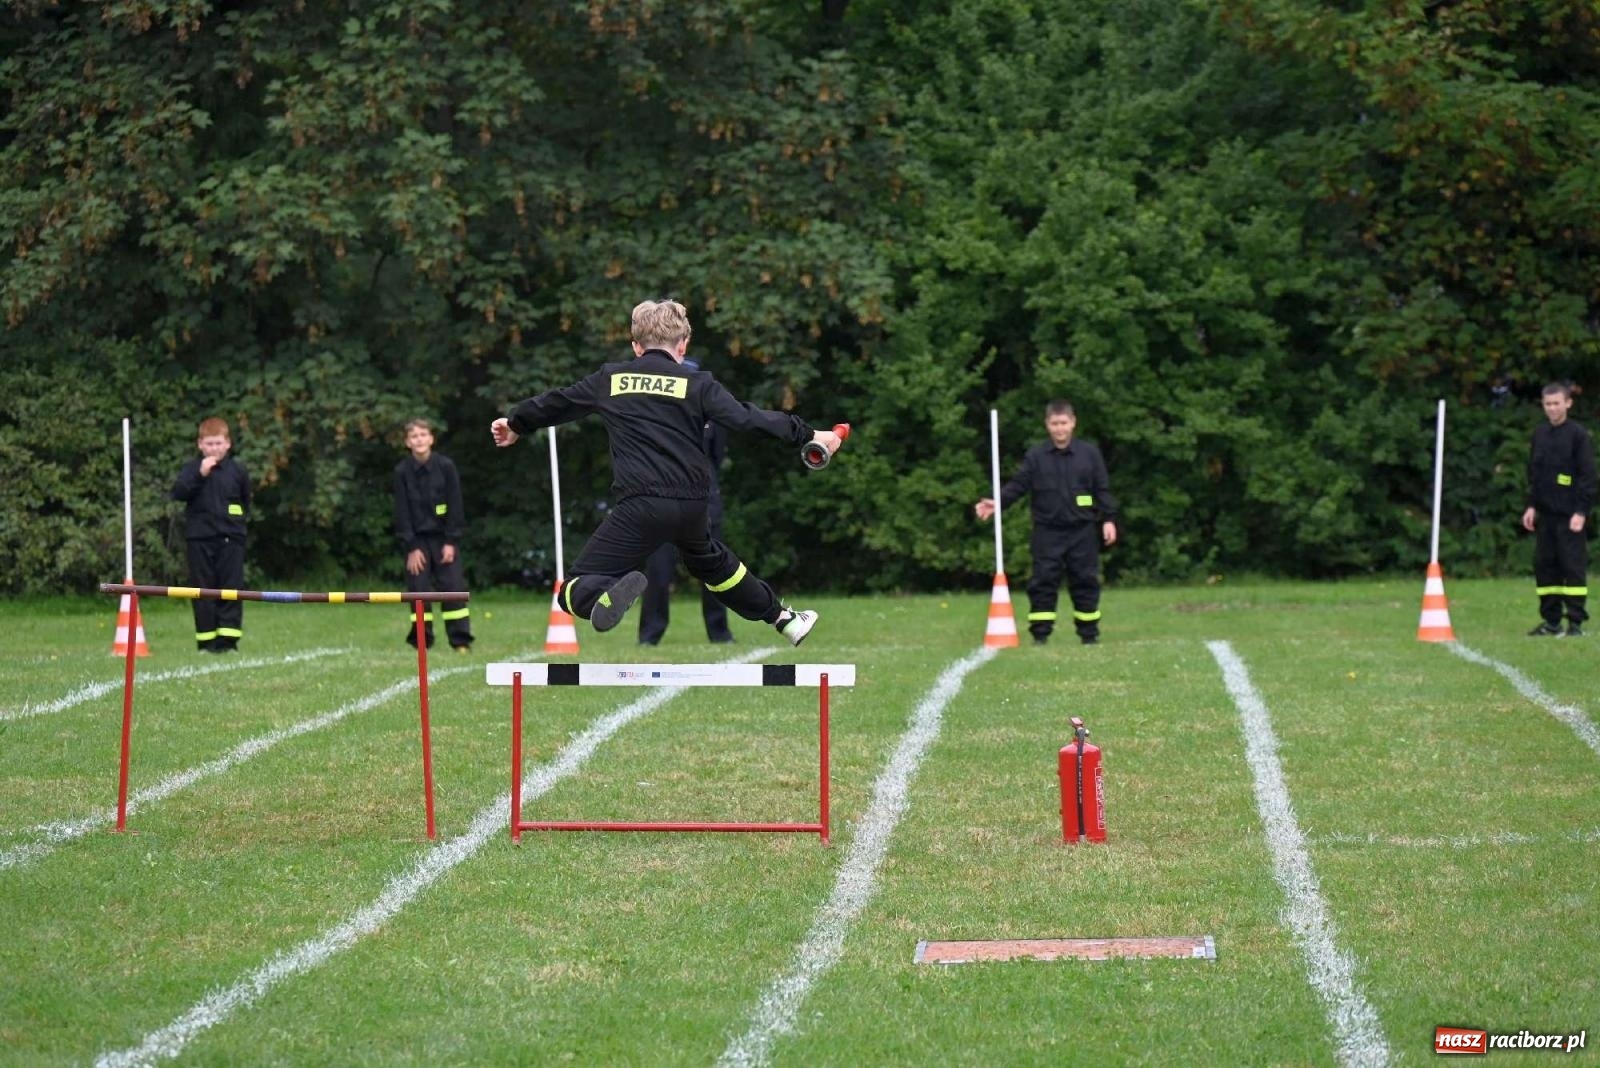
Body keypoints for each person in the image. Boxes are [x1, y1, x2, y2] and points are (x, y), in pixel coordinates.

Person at [490, 298, 841, 644]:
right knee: (715, 567)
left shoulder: (611, 378)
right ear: (683, 344)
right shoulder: (699, 384)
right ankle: (783, 619)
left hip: (641, 504)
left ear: (636, 346)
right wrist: (810, 434)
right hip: (692, 506)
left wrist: (516, 423)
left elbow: (557, 403)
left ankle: (607, 591)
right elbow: (747, 419)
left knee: (572, 590)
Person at [974, 400, 1117, 645]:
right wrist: (998, 503)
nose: (1059, 429)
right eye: (1054, 424)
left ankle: (1089, 635)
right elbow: (1018, 485)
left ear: (1073, 423)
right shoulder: (1036, 456)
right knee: (1043, 581)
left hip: (1083, 531)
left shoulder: (1089, 453)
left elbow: (1102, 488)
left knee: (1085, 581)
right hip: (1047, 532)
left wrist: (1109, 519)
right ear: (1047, 425)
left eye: (1064, 423)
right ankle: (1040, 635)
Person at [638, 381, 736, 645]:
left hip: (704, 497)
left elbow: (716, 455)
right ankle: (650, 634)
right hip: (661, 497)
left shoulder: (712, 418)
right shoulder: (654, 416)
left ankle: (719, 632)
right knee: (658, 569)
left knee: (714, 566)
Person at [393, 418, 474, 651]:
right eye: (414, 436)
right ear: (408, 442)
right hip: (416, 542)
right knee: (418, 591)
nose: (419, 439)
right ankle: (421, 641)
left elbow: (456, 505)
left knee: (454, 589)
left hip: (444, 540)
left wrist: (451, 541)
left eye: (423, 435)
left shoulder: (446, 467)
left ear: (431, 439)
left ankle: (460, 641)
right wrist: (411, 547)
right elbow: (402, 511)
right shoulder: (401, 471)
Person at [171, 416, 250, 653]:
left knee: (232, 588)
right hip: (200, 539)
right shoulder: (191, 469)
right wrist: (199, 474)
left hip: (231, 539)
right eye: (209, 444)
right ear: (200, 445)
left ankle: (228, 640)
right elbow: (178, 493)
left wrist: (237, 525)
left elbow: (246, 501)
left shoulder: (237, 471)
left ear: (228, 444)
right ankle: (206, 641)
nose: (214, 448)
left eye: (218, 443)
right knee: (203, 590)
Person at [1523, 382, 1596, 637]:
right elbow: (1534, 473)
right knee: (1545, 567)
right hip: (1545, 515)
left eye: (1556, 403)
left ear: (1568, 403)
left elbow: (1588, 477)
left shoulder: (1578, 436)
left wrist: (1581, 511)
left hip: (1570, 516)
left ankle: (1575, 623)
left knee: (1572, 567)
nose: (1552, 408)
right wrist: (1531, 505)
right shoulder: (1540, 434)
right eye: (1547, 404)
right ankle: (1551, 622)